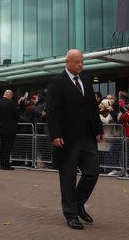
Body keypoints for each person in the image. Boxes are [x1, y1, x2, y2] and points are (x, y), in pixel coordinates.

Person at [47, 49, 103, 230]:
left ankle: (78, 202)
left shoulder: (85, 80)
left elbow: (92, 108)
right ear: (67, 62)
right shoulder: (57, 82)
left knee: (93, 171)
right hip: (67, 139)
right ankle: (71, 214)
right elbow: (53, 111)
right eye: (77, 62)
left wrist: (98, 129)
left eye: (82, 62)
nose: (81, 65)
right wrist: (55, 134)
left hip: (87, 136)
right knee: (68, 177)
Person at [0, 90, 20, 170]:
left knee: (2, 146)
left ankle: (2, 164)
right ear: (10, 95)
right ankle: (6, 165)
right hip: (10, 128)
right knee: (8, 147)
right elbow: (17, 116)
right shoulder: (11, 104)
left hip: (1, 128)